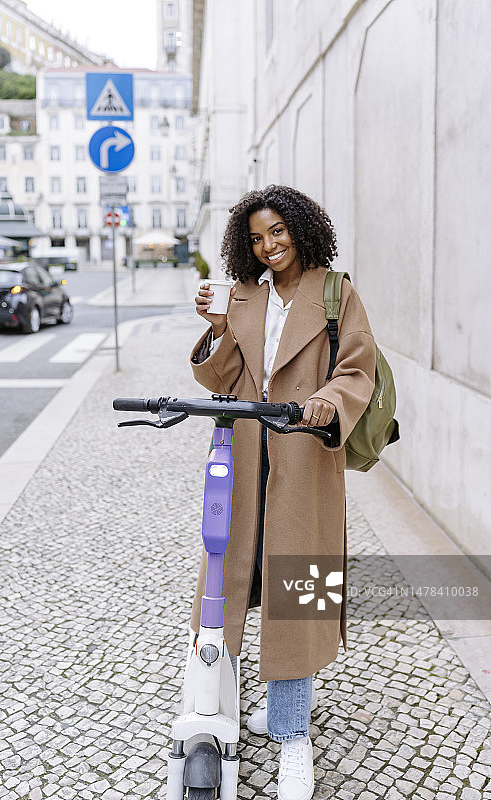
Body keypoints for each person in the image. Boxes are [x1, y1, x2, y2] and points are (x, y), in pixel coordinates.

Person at [189, 185, 376, 800]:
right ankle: (233, 713)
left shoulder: (334, 292)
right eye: (256, 238)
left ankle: (293, 737)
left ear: (300, 228)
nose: (269, 246)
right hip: (243, 460)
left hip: (303, 461)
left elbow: (357, 369)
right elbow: (220, 378)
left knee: (298, 595)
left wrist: (326, 403)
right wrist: (217, 330)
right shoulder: (244, 295)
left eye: (277, 232)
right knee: (233, 585)